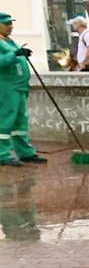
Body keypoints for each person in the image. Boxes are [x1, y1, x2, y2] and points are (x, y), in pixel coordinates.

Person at [0, 13, 45, 167]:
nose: (10, 26)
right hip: (6, 88)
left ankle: (25, 152)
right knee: (5, 122)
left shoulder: (9, 41)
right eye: (6, 24)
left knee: (20, 122)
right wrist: (15, 54)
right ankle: (2, 154)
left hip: (19, 87)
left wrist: (22, 54)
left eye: (11, 23)